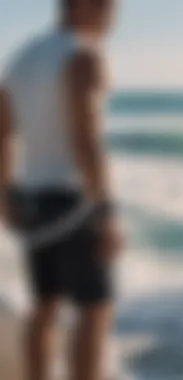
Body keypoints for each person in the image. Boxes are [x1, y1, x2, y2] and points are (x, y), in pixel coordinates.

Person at [0, 1, 123, 379]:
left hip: (33, 199)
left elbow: (2, 134)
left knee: (45, 305)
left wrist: (4, 194)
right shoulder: (83, 55)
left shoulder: (21, 59)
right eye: (109, 6)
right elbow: (86, 139)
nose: (114, 17)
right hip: (73, 203)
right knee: (94, 310)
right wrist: (106, 212)